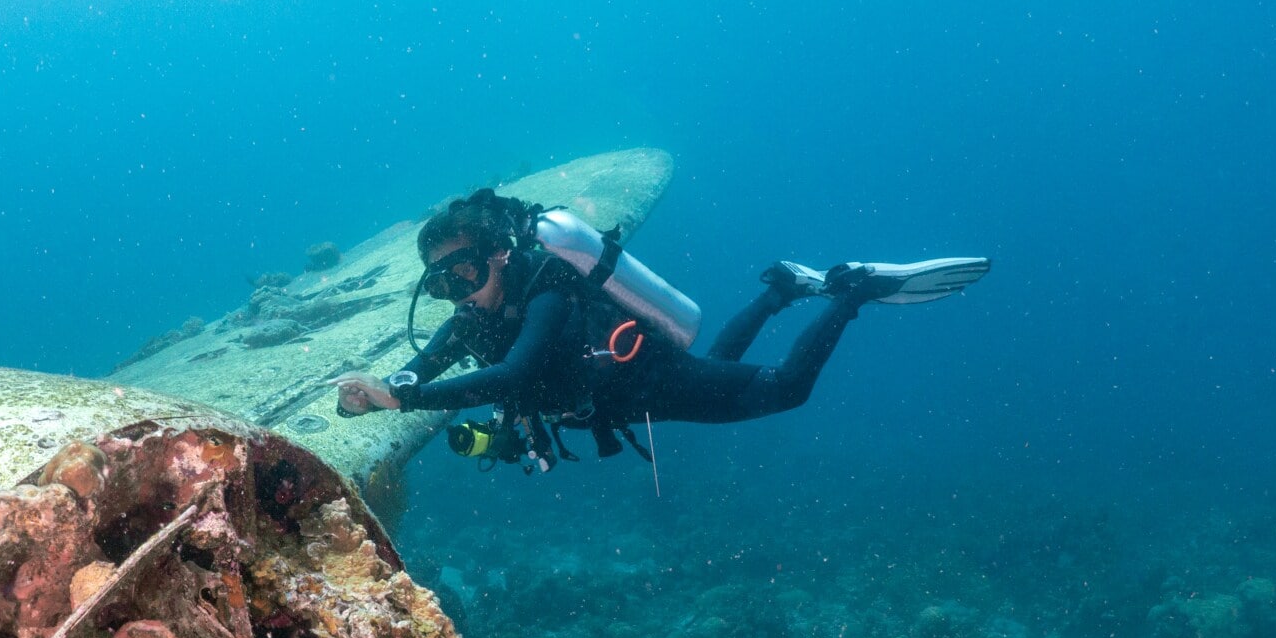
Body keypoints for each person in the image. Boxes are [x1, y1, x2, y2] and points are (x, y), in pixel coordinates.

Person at [333, 188, 987, 467]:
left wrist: (406, 399)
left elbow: (514, 375)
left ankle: (854, 292)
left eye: (465, 272)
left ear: (501, 254)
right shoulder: (472, 316)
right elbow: (424, 366)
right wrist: (382, 390)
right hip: (627, 394)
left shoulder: (548, 290)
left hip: (647, 381)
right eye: (442, 281)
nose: (457, 293)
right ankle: (782, 291)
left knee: (785, 389)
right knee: (721, 362)